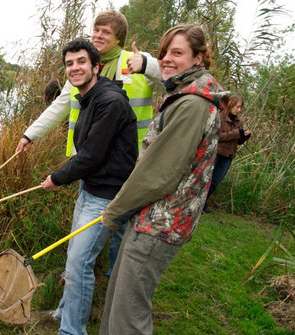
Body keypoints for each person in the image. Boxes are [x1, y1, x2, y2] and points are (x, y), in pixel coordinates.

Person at [99, 24, 229, 334]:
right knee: (116, 303)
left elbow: (159, 174)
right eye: (164, 53)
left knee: (128, 317)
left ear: (199, 59)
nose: (167, 59)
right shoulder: (184, 94)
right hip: (150, 217)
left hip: (161, 223)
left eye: (177, 53)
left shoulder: (193, 105)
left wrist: (114, 212)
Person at [16, 10, 161, 280]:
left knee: (121, 224)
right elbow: (58, 107)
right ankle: (80, 267)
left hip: (129, 162)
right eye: (96, 30)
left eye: (106, 32)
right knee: (90, 224)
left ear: (119, 37)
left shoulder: (134, 62)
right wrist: (30, 135)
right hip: (89, 161)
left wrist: (148, 63)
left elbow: (170, 80)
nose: (98, 35)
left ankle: (114, 275)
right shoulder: (81, 67)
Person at [41, 38, 138, 335]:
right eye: (69, 63)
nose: (74, 68)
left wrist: (56, 178)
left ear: (96, 66)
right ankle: (64, 310)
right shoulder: (89, 96)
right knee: (75, 256)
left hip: (106, 196)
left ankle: (72, 331)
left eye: (81, 61)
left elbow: (91, 155)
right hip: (90, 188)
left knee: (79, 263)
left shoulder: (109, 101)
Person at [203, 95, 251, 213]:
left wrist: (244, 137)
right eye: (237, 107)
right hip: (216, 153)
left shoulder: (238, 122)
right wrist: (237, 133)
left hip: (228, 156)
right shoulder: (219, 117)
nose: (239, 110)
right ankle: (197, 203)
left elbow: (238, 141)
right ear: (231, 105)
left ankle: (203, 203)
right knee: (206, 179)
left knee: (215, 181)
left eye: (241, 108)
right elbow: (217, 136)